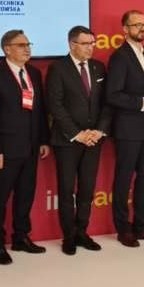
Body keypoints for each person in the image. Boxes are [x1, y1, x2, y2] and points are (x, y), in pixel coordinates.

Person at [0, 30, 50, 265]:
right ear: (7, 49)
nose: (27, 48)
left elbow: (39, 111)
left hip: (30, 148)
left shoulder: (34, 73)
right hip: (5, 150)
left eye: (28, 44)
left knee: (25, 195)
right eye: (21, 45)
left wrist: (43, 140)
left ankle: (21, 237)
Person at [47, 26, 112, 255]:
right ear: (72, 44)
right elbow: (55, 105)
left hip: (94, 140)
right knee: (67, 190)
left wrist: (99, 131)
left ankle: (82, 232)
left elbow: (106, 103)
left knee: (87, 188)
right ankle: (69, 236)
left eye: (92, 43)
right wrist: (78, 134)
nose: (90, 47)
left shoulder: (98, 67)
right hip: (68, 140)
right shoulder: (58, 68)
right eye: (85, 44)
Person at [106, 10, 144, 247]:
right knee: (123, 180)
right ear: (125, 29)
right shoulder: (119, 57)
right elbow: (113, 95)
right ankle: (123, 229)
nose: (142, 28)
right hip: (128, 129)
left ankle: (140, 226)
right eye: (137, 24)